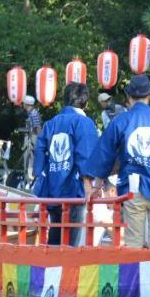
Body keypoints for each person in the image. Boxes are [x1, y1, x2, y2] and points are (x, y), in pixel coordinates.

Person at [86, 74, 150, 249]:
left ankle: (134, 276)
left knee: (134, 246)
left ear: (128, 96)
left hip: (133, 190)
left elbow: (105, 155)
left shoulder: (121, 121)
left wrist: (97, 186)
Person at [34, 81, 100, 246]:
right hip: (74, 186)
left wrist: (39, 176)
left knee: (55, 233)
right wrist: (87, 181)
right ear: (85, 102)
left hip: (52, 185)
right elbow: (85, 152)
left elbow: (40, 150)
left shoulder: (51, 123)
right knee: (71, 238)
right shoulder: (84, 123)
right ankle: (65, 271)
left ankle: (50, 269)